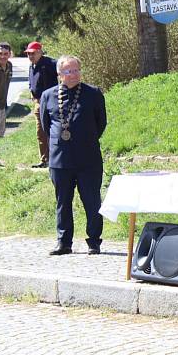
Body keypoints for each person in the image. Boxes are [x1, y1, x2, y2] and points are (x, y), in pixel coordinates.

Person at [40, 55, 107, 256]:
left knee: (92, 201)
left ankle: (94, 241)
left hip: (88, 158)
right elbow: (46, 126)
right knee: (63, 201)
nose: (73, 74)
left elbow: (100, 123)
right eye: (68, 71)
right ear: (60, 74)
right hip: (60, 159)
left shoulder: (93, 93)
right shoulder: (48, 95)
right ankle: (64, 242)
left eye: (76, 70)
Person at [25, 41, 58, 168]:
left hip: (52, 102)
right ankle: (44, 159)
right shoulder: (31, 66)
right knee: (41, 132)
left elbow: (63, 71)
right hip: (38, 102)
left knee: (54, 130)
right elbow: (31, 83)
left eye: (32, 53)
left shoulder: (50, 63)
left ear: (39, 52)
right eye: (28, 54)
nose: (30, 56)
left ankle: (54, 158)